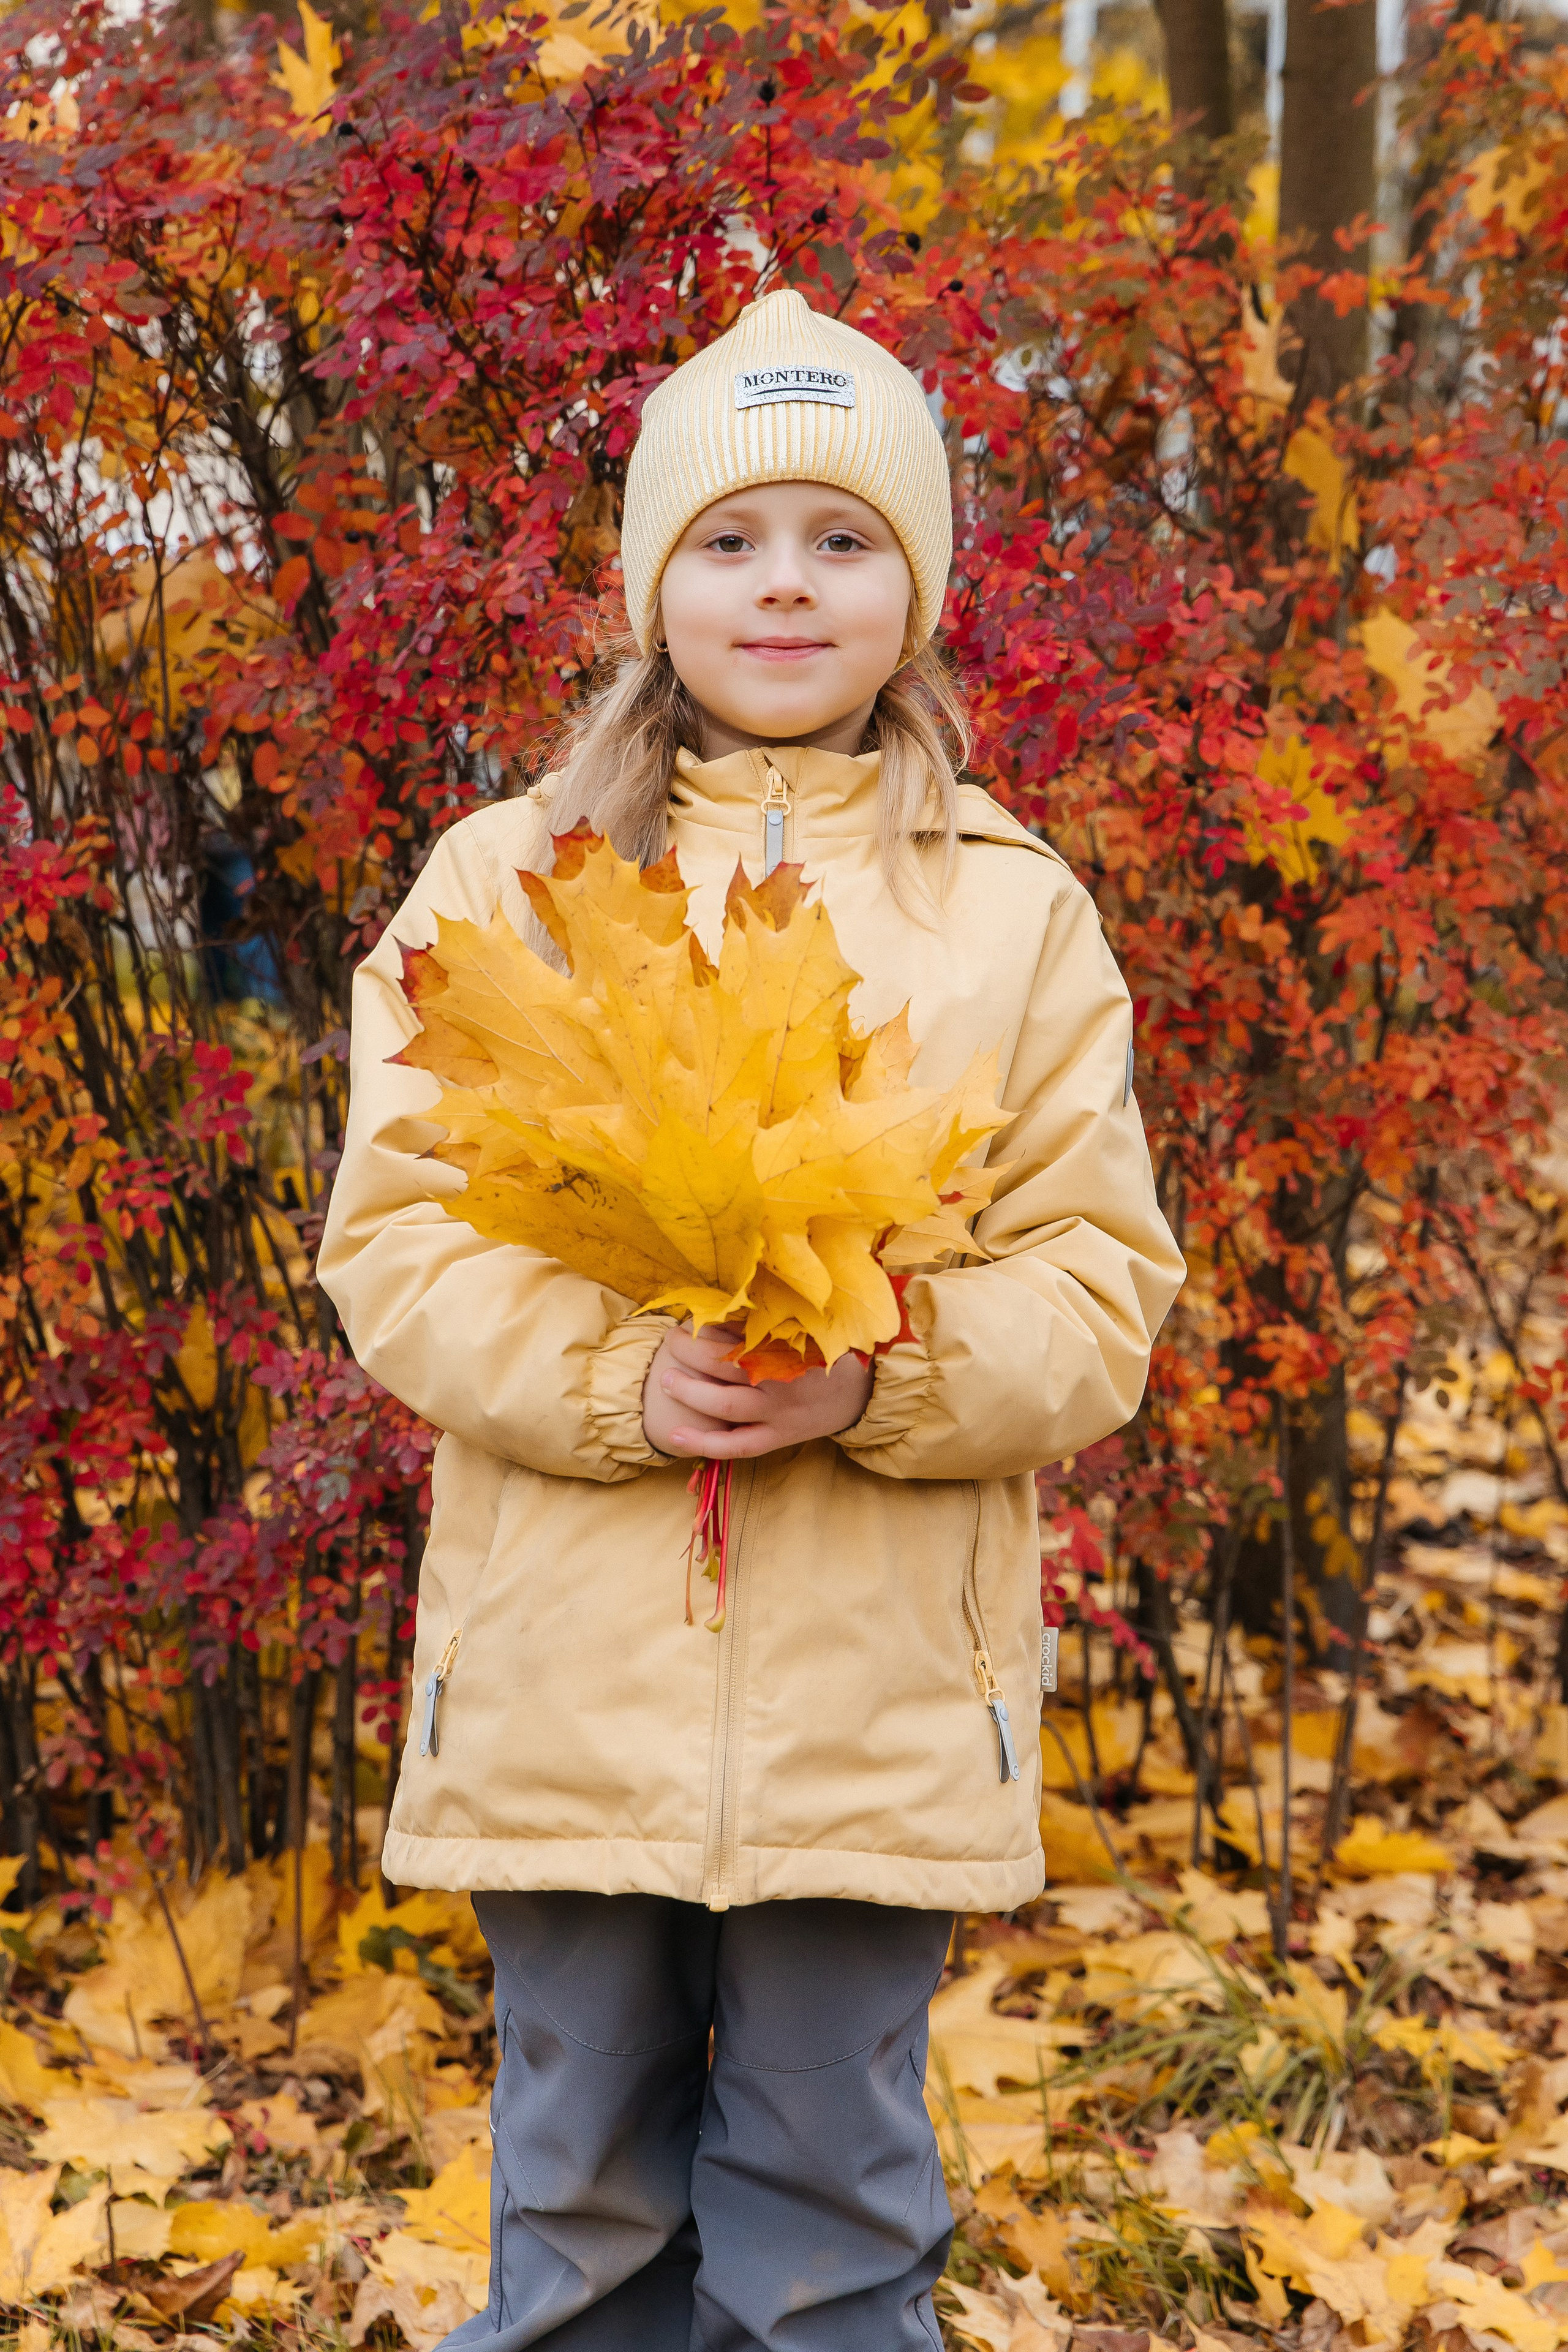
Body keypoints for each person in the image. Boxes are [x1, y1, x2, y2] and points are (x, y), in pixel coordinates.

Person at [318, 285, 1185, 2352]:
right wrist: (622, 1379)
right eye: (729, 539)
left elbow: (1098, 1283)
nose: (783, 584)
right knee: (582, 2199)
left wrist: (888, 1375)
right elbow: (401, 1241)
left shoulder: (1011, 910)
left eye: (841, 538)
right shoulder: (509, 883)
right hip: (569, 1679)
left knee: (832, 2210)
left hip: (877, 1708)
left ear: (918, 589)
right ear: (654, 587)